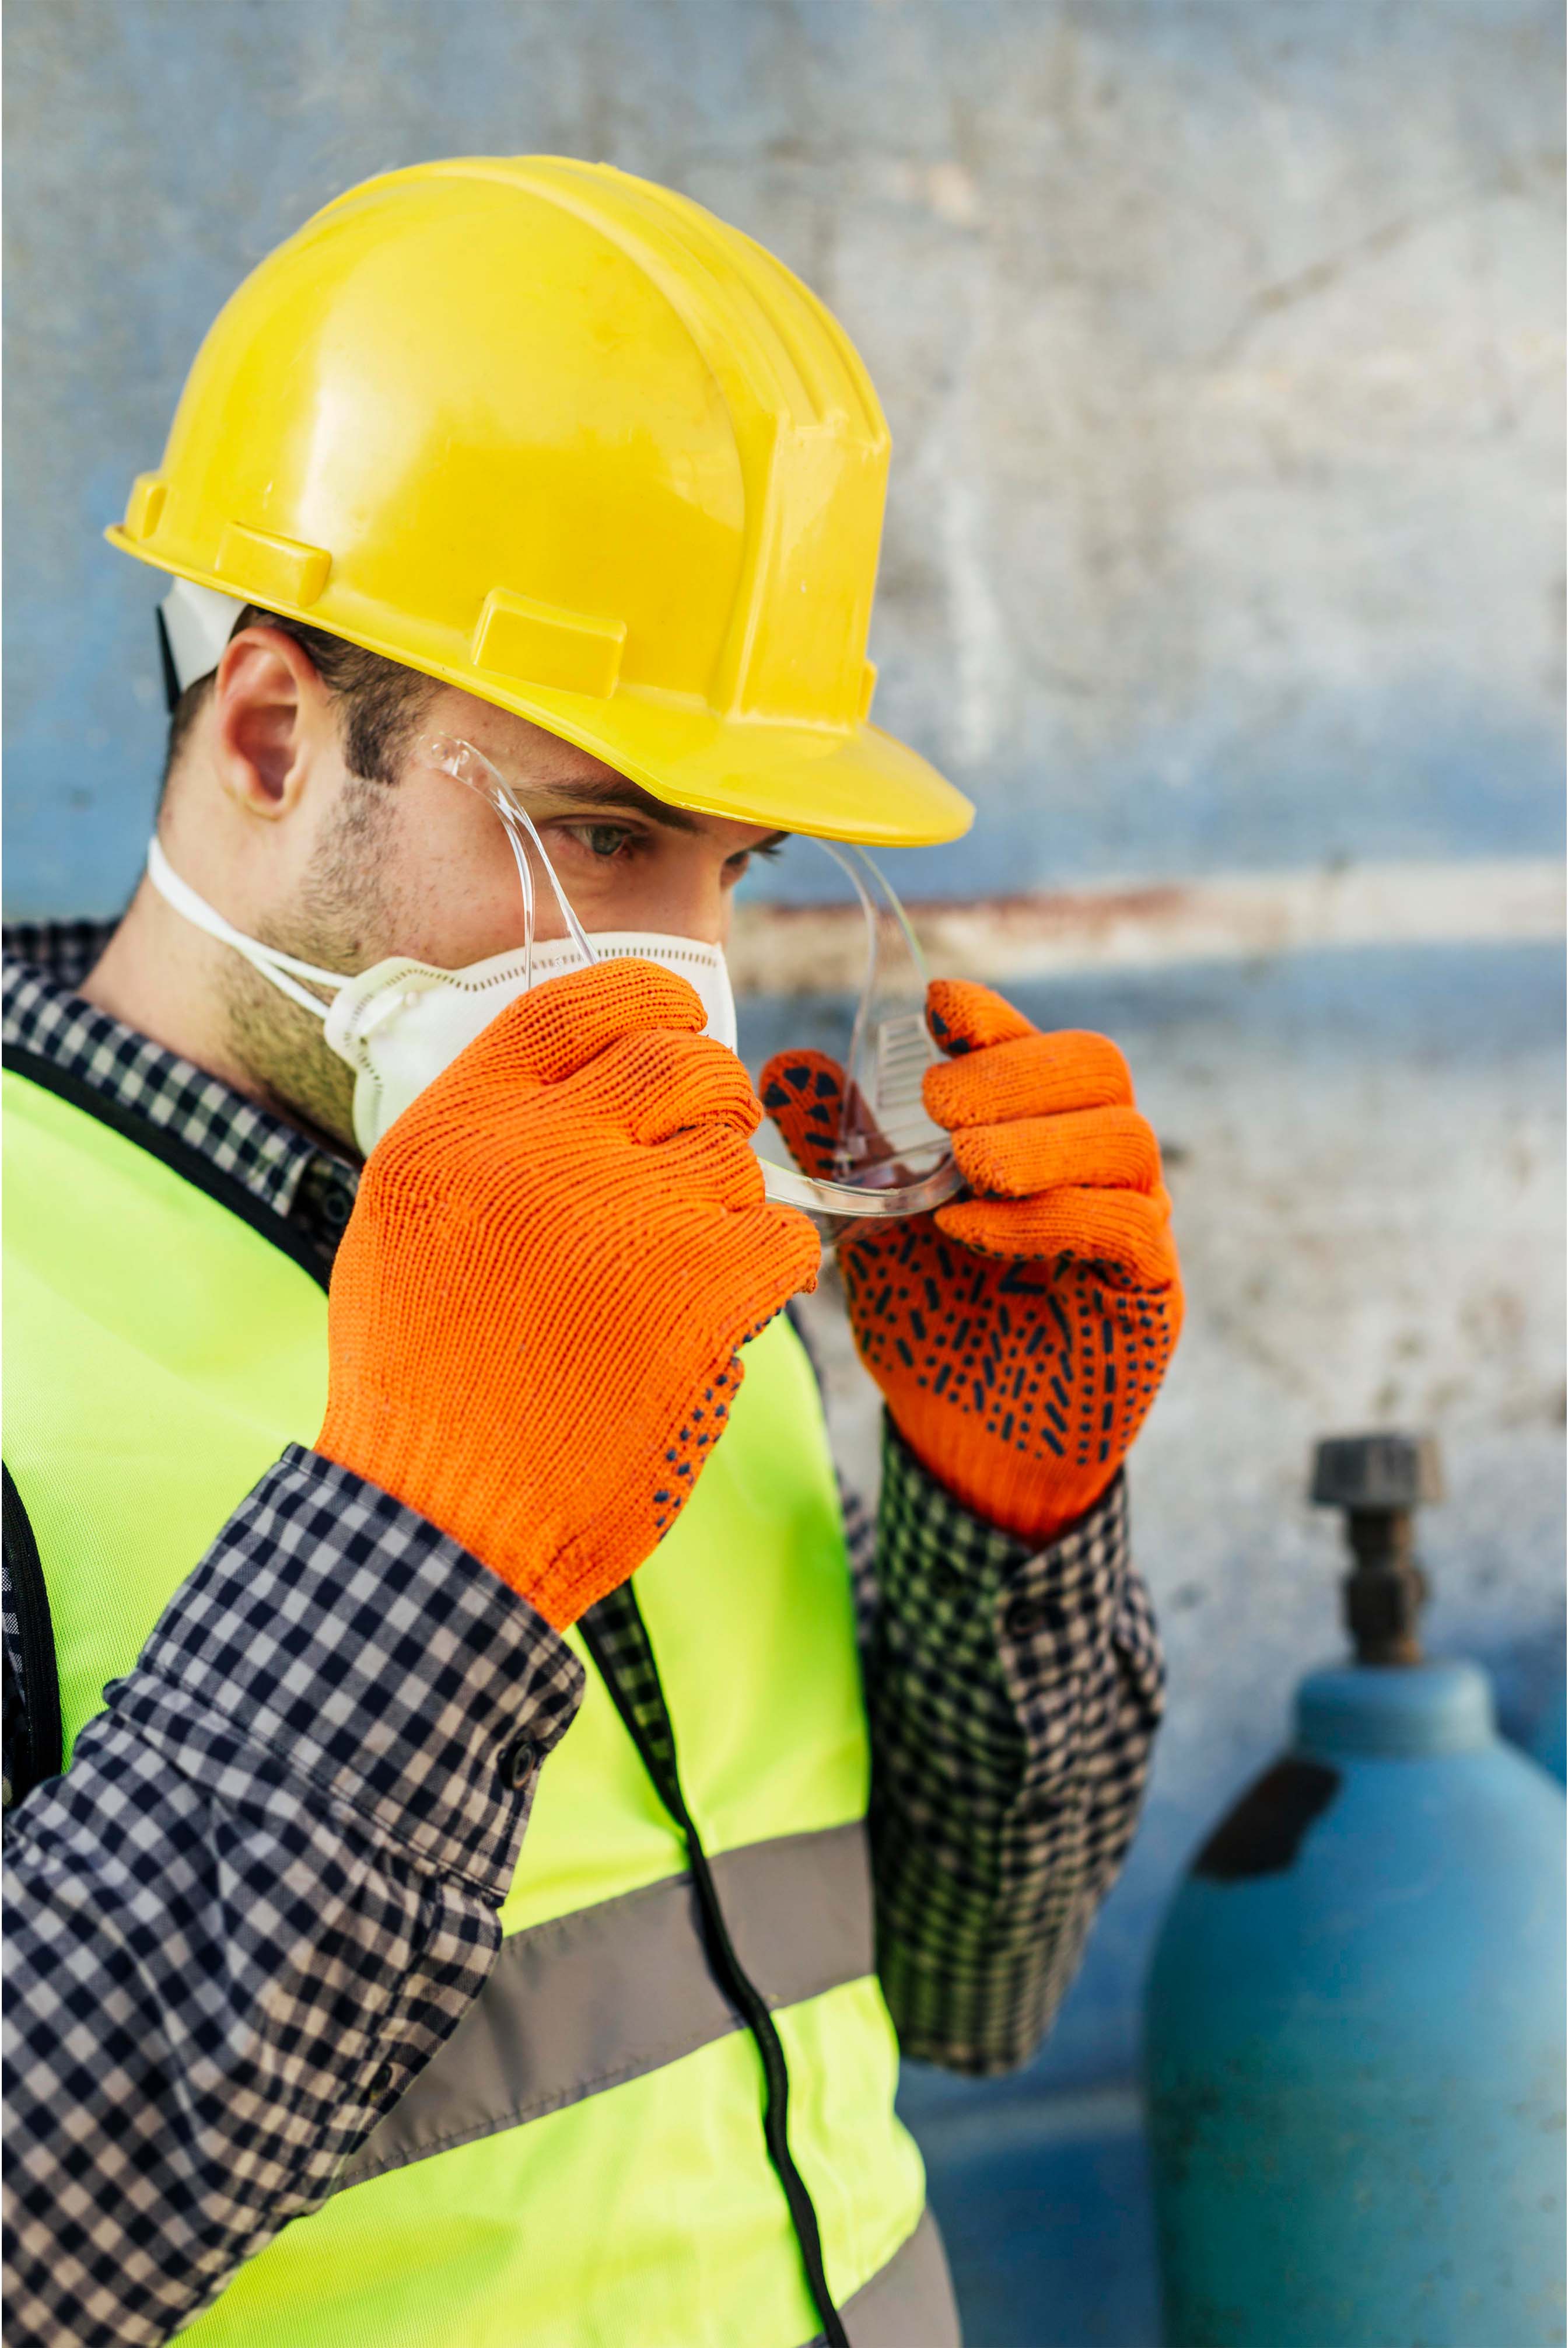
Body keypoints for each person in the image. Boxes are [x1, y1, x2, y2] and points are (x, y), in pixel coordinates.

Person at [2, 159, 1182, 2348]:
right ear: (269, 735)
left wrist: (1012, 1529)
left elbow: (970, 1986)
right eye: (603, 831)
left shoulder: (670, 1237)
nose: (682, 977)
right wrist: (422, 1552)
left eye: (729, 861)